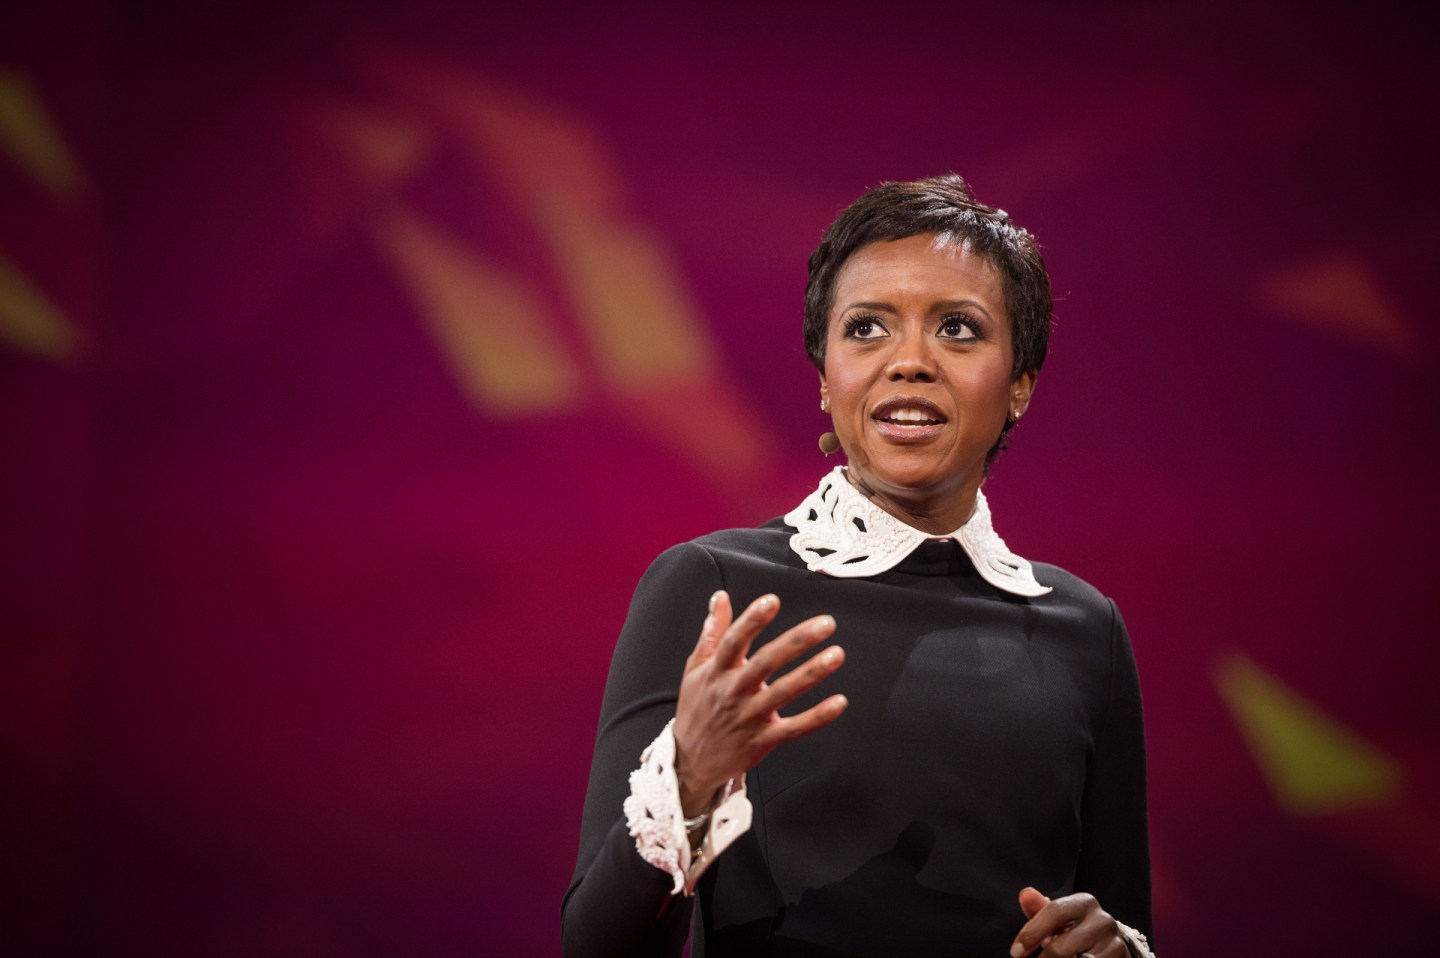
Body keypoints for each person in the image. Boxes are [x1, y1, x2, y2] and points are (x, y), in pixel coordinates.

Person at [562, 175, 1155, 958]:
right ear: (823, 378)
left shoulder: (1086, 631)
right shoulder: (714, 588)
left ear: (1020, 384)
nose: (908, 361)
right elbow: (595, 948)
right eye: (868, 328)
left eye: (958, 329)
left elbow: (1120, 919)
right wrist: (692, 775)